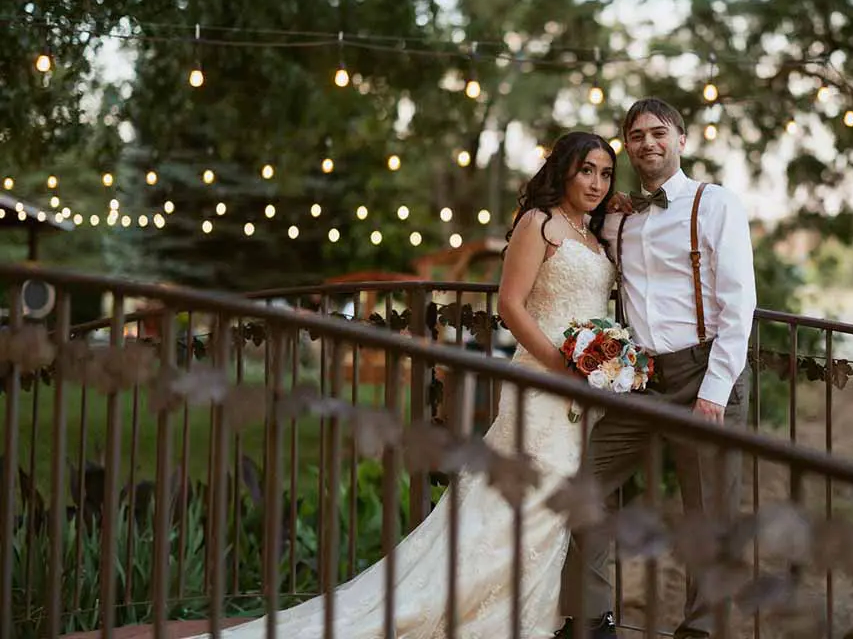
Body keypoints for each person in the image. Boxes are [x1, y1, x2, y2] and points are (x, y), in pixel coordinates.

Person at [188, 132, 618, 639]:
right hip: (542, 383)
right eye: (586, 169)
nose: (596, 182)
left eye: (606, 173)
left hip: (586, 390)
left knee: (555, 503)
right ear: (564, 169)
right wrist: (562, 365)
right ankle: (473, 611)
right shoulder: (538, 224)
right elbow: (511, 306)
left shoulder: (597, 234)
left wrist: (604, 364)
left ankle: (549, 613)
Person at [556, 98, 757, 639]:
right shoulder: (618, 215)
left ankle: (703, 629)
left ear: (681, 140)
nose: (647, 143)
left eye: (658, 133)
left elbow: (740, 306)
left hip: (704, 370)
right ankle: (590, 618)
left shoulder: (714, 204)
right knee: (587, 487)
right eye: (636, 135)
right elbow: (567, 232)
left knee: (708, 516)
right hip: (640, 380)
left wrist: (715, 390)